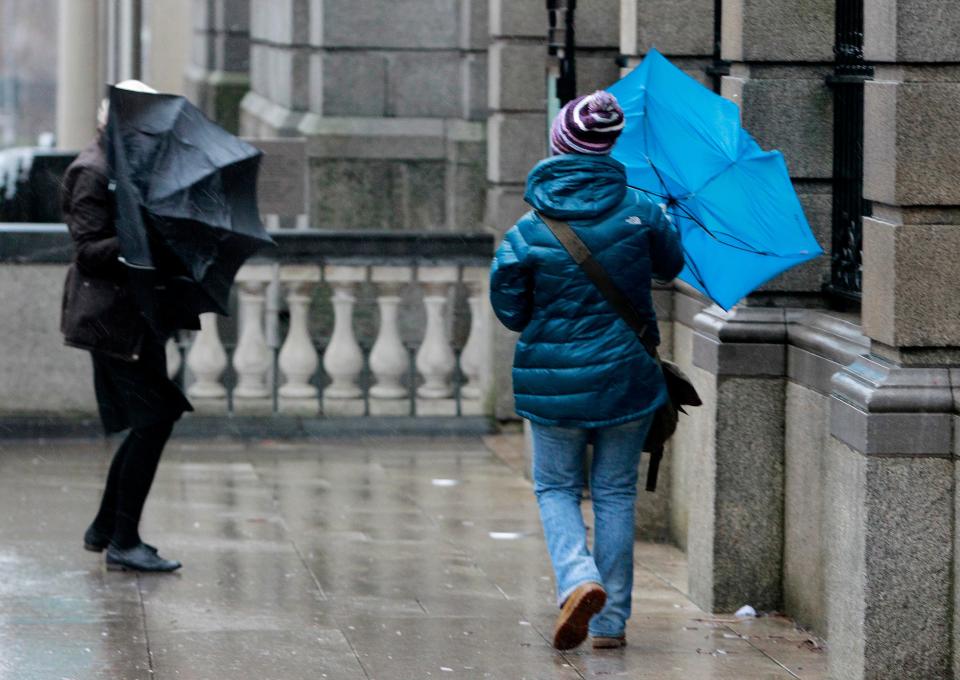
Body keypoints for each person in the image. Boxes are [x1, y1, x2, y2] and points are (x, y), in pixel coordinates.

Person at [489, 90, 684, 650]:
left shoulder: (527, 231)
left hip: (552, 384)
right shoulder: (642, 210)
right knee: (616, 493)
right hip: (627, 376)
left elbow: (511, 311)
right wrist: (662, 221)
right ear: (608, 147)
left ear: (560, 145)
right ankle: (609, 623)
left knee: (555, 487)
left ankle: (578, 579)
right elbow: (670, 266)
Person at [60, 80, 189, 573]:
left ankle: (107, 527)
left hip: (135, 317)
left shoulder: (127, 167)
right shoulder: (91, 171)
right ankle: (123, 539)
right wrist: (138, 236)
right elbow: (88, 252)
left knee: (153, 419)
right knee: (154, 419)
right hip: (110, 321)